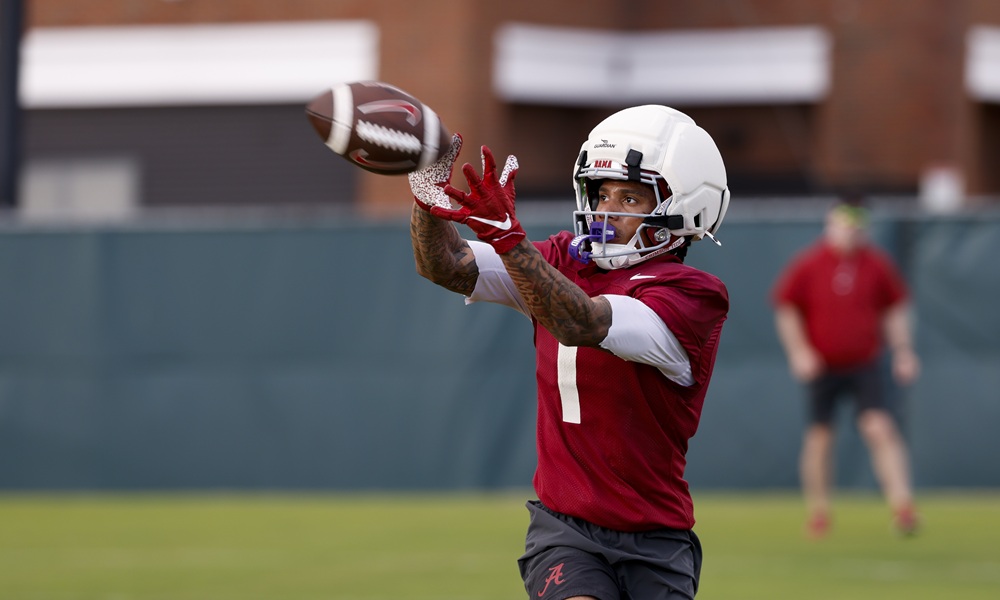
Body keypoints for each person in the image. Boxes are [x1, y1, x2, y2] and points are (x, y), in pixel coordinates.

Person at [406, 105, 730, 600]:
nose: (606, 210)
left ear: (684, 206)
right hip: (566, 530)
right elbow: (446, 264)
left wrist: (512, 242)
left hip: (657, 539)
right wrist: (427, 197)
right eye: (601, 194)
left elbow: (581, 321)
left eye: (629, 197)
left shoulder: (692, 293)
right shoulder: (560, 258)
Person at [771, 199, 921, 539]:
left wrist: (903, 351)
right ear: (830, 225)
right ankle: (819, 513)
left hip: (864, 363)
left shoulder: (876, 265)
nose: (849, 233)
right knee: (821, 438)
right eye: (843, 225)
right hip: (823, 367)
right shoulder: (810, 264)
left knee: (879, 427)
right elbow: (787, 308)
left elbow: (895, 309)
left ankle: (903, 507)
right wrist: (799, 352)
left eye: (856, 227)